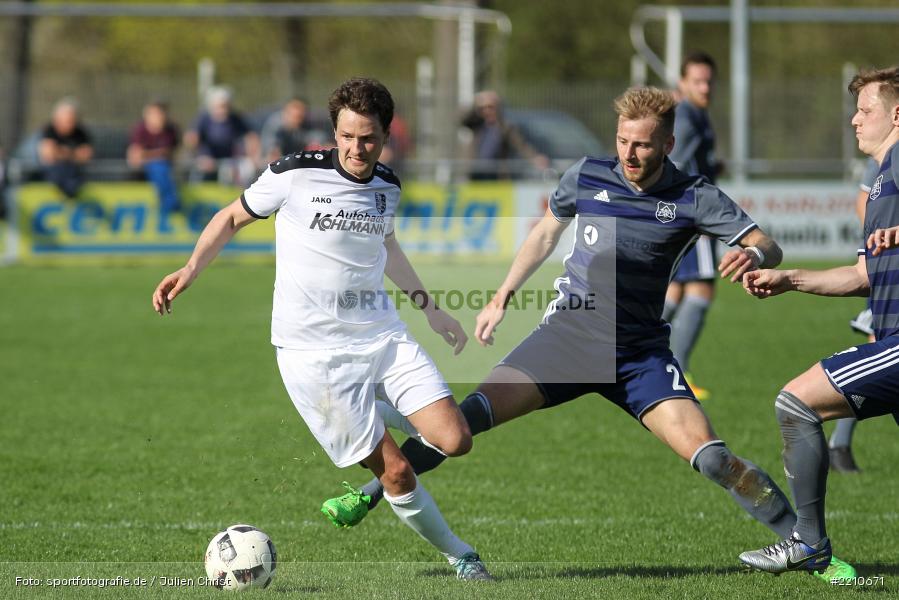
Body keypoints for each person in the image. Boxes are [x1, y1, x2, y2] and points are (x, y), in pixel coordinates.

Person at [323, 86, 855, 582]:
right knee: (463, 421)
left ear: (668, 144)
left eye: (643, 145)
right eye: (623, 141)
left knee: (714, 458)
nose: (630, 154)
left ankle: (810, 548)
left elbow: (768, 243)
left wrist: (755, 254)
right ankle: (370, 493)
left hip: (638, 356)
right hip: (566, 341)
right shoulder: (586, 176)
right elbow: (544, 233)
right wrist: (501, 297)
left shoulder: (694, 195)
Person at [152, 77, 492, 581]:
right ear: (334, 132)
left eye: (368, 138)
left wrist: (431, 308)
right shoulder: (292, 174)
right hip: (313, 355)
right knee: (396, 471)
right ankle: (460, 555)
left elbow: (387, 247)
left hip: (381, 335)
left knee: (455, 437)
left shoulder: (388, 187)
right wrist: (190, 269)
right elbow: (229, 218)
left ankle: (374, 410)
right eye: (348, 136)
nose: (357, 148)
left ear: (386, 135)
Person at [738, 66, 899, 576]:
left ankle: (808, 542)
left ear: (897, 114)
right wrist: (789, 280)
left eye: (865, 110)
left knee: (797, 401)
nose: (854, 120)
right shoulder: (880, 186)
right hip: (889, 334)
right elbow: (860, 276)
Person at [662, 51, 724, 401]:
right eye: (697, 81)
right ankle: (679, 370)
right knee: (702, 288)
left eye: (709, 81)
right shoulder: (686, 116)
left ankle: (633, 350)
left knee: (675, 291)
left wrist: (714, 166)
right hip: (693, 214)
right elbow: (675, 164)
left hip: (684, 213)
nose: (705, 87)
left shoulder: (694, 114)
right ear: (682, 84)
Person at [829, 157, 880, 473]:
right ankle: (839, 443)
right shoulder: (889, 151)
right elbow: (865, 204)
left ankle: (839, 443)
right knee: (878, 357)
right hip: (892, 276)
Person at [461, 90, 548, 180]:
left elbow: (521, 146)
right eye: (483, 108)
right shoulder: (477, 125)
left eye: (490, 107)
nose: (487, 111)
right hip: (476, 173)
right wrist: (476, 102)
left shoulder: (505, 127)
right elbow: (462, 120)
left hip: (496, 176)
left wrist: (534, 157)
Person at [184, 86, 260, 184]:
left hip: (230, 160)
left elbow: (251, 136)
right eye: (221, 106)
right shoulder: (203, 119)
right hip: (207, 158)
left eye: (226, 106)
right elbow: (191, 139)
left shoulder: (235, 119)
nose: (223, 110)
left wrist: (254, 156)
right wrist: (199, 155)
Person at [127, 101, 181, 228]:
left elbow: (172, 154)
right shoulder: (139, 130)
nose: (159, 117)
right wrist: (158, 154)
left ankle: (169, 202)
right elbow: (135, 157)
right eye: (155, 114)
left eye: (161, 114)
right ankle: (170, 202)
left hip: (166, 169)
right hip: (142, 171)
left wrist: (149, 155)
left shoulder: (171, 130)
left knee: (160, 167)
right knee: (158, 167)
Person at [38, 97, 93, 198]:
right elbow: (48, 155)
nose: (69, 124)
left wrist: (60, 152)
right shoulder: (49, 131)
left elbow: (86, 156)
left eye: (72, 120)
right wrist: (73, 154)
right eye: (67, 120)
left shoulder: (80, 133)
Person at [260, 97, 328, 162]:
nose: (298, 114)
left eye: (300, 115)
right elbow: (272, 152)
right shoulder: (275, 125)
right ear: (286, 112)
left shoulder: (306, 125)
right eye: (295, 115)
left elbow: (318, 138)